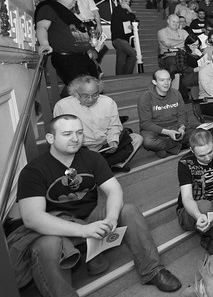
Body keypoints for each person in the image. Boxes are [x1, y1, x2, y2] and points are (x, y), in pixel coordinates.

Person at [7, 114, 181, 295]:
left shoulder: (91, 158)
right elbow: (32, 218)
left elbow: (114, 190)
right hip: (57, 228)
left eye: (79, 132)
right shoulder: (33, 170)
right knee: (47, 245)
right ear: (51, 138)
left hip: (90, 217)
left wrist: (112, 218)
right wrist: (84, 231)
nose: (75, 138)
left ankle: (152, 270)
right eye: (67, 134)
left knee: (128, 210)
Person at [53, 76, 142, 172]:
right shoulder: (62, 106)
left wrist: (114, 140)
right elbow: (60, 134)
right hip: (82, 149)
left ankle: (105, 166)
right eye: (85, 96)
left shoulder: (108, 102)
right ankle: (103, 166)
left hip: (105, 146)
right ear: (75, 93)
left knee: (137, 139)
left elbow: (114, 125)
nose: (91, 99)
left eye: (95, 94)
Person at [35, 0, 99, 92]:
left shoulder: (67, 13)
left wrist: (88, 49)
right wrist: (44, 44)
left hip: (83, 58)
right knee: (82, 91)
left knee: (93, 88)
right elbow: (42, 27)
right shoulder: (48, 7)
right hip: (68, 60)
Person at [137, 69, 194, 158]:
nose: (166, 83)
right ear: (154, 82)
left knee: (201, 131)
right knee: (147, 142)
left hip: (175, 126)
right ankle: (180, 145)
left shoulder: (176, 93)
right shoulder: (145, 97)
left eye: (168, 79)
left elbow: (182, 114)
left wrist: (182, 127)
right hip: (156, 130)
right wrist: (168, 132)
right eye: (162, 80)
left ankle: (164, 148)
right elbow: (145, 123)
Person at [110, 0, 138, 75]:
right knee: (133, 54)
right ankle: (127, 75)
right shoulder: (117, 10)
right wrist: (130, 10)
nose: (127, 4)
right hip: (118, 39)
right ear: (120, 1)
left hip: (123, 39)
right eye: (125, 1)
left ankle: (120, 77)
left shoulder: (125, 12)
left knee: (121, 60)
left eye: (128, 2)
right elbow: (131, 17)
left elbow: (134, 21)